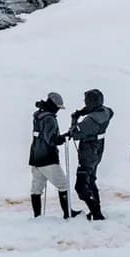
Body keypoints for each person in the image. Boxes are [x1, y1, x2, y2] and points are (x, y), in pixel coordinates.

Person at [68, 89, 114, 220]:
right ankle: (96, 210)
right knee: (91, 180)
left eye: (87, 101)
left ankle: (96, 213)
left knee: (81, 186)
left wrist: (74, 119)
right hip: (97, 150)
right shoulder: (106, 112)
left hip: (88, 153)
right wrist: (84, 111)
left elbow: (75, 133)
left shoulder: (91, 120)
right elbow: (106, 111)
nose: (85, 103)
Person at [27, 92, 72, 218]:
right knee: (63, 185)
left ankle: (37, 216)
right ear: (53, 105)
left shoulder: (38, 115)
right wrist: (65, 137)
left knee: (36, 188)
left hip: (35, 157)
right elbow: (52, 140)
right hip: (47, 158)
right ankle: (68, 213)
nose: (58, 110)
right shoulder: (49, 118)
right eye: (58, 107)